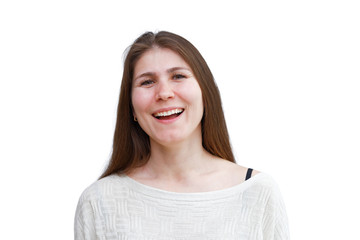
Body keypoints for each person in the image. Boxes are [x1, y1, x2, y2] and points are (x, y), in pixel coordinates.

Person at [74, 31, 290, 240]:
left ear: (205, 93)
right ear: (131, 108)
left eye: (178, 76)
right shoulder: (98, 202)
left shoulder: (258, 193)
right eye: (147, 82)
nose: (164, 93)